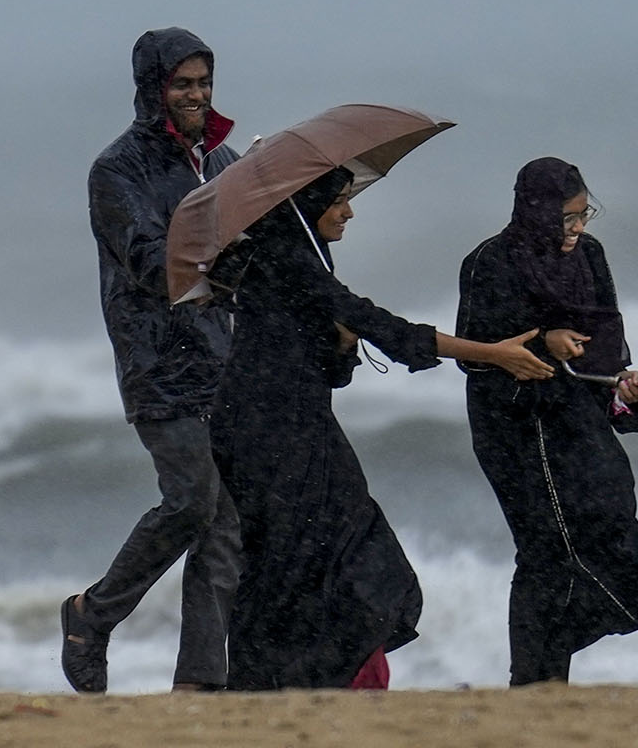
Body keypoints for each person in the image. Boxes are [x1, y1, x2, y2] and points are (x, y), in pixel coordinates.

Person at [210, 165, 554, 690]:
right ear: (310, 203)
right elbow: (384, 326)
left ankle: (300, 683)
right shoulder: (283, 254)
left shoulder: (302, 256)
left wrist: (343, 344)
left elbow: (329, 361)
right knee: (285, 562)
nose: (350, 211)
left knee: (326, 555)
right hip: (264, 430)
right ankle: (265, 688)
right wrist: (490, 353)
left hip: (300, 423)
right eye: (340, 200)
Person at [455, 156, 638, 686]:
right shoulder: (489, 263)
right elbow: (472, 355)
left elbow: (607, 337)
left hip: (579, 418)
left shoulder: (590, 255)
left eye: (585, 214)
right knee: (547, 550)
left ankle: (613, 621)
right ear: (538, 212)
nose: (579, 228)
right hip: (515, 427)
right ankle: (538, 680)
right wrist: (544, 339)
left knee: (610, 515)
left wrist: (624, 389)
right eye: (569, 217)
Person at [63, 27, 243, 694]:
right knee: (194, 500)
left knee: (225, 526)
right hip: (157, 364)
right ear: (153, 89)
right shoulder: (115, 171)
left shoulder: (222, 162)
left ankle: (199, 683)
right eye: (183, 84)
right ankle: (90, 613)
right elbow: (144, 262)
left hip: (221, 361)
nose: (196, 95)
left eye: (204, 83)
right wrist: (213, 255)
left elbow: (245, 261)